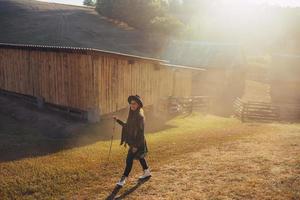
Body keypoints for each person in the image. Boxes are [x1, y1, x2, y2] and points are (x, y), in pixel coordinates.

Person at [113, 95, 151, 187]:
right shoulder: (132, 114)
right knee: (141, 157)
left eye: (134, 103)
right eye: (131, 103)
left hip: (138, 142)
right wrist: (118, 121)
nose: (132, 105)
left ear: (138, 104)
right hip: (134, 142)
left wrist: (135, 146)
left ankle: (123, 179)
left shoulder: (139, 116)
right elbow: (127, 126)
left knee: (129, 159)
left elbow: (141, 133)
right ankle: (147, 172)